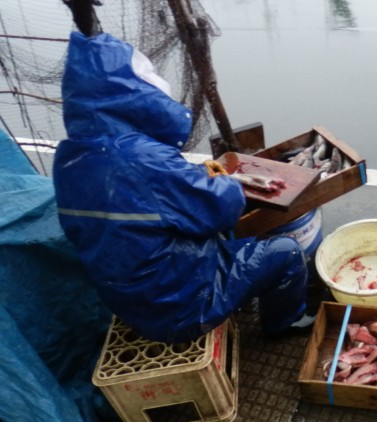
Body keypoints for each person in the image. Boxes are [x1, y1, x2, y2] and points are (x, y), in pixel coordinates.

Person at [52, 31, 314, 343]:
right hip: (182, 307)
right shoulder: (141, 158)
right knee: (286, 252)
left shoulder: (68, 158)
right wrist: (228, 183)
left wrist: (195, 176)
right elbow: (220, 208)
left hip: (132, 302)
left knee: (217, 234)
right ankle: (283, 324)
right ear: (134, 97)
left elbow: (145, 194)